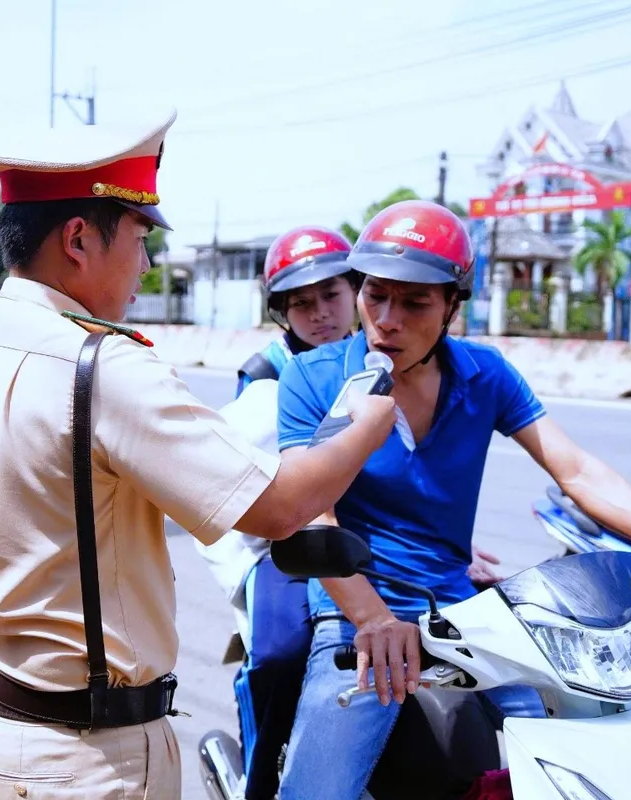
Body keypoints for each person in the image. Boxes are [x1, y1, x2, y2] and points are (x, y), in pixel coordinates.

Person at [0, 111, 399, 800]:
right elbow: (281, 506)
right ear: (79, 239)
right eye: (139, 238)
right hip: (89, 759)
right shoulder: (100, 367)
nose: (146, 262)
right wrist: (367, 424)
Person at [273, 200, 631, 800]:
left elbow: (575, 469)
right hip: (357, 617)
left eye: (415, 302)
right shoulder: (315, 377)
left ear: (453, 305)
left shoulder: (485, 373)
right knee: (315, 794)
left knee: (566, 744)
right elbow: (308, 508)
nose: (386, 321)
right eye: (375, 296)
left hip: (460, 611)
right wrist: (372, 618)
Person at [198, 225, 502, 799]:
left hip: (371, 554)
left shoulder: (411, 363)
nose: (320, 314)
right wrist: (369, 616)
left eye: (331, 296)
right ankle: (262, 783)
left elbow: (424, 485)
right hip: (286, 541)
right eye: (301, 303)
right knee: (281, 652)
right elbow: (276, 500)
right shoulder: (272, 376)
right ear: (283, 315)